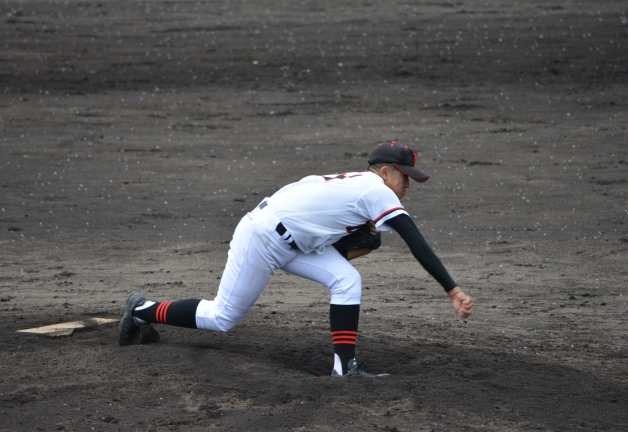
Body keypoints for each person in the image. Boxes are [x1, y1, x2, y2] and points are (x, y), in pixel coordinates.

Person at [118, 140, 474, 377]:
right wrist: (452, 289)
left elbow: (321, 234)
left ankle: (344, 368)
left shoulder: (350, 184)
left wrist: (359, 245)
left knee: (347, 279)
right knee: (222, 317)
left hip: (290, 240)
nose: (407, 185)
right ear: (385, 172)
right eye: (404, 177)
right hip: (261, 237)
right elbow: (416, 241)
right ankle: (141, 310)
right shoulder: (375, 189)